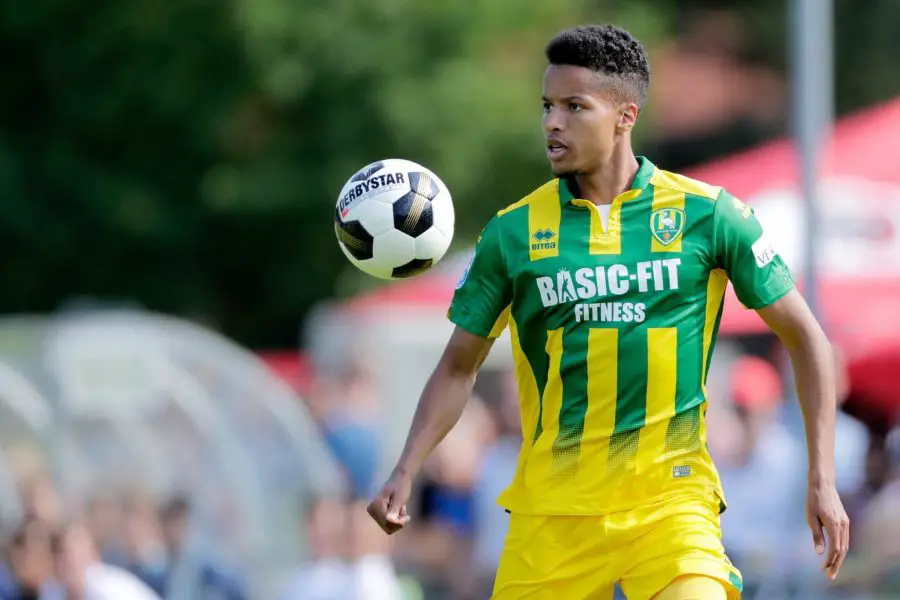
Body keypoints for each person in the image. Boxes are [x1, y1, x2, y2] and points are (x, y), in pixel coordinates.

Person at [366, 23, 849, 600]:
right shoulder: (512, 233)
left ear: (625, 116)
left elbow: (807, 338)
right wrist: (406, 467)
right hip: (553, 517)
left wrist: (822, 477)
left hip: (671, 506)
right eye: (547, 106)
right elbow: (457, 367)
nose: (553, 122)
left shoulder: (709, 216)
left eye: (574, 107)